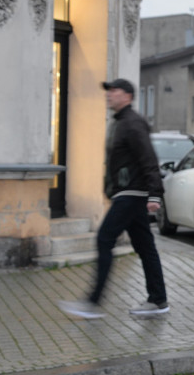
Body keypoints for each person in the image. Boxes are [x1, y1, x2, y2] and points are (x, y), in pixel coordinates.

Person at [59, 78, 168, 319]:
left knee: (104, 239)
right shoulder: (121, 122)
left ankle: (93, 302)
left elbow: (148, 159)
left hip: (131, 193)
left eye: (114, 91)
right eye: (108, 91)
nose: (109, 95)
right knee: (145, 247)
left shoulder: (132, 124)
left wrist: (155, 194)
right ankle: (159, 299)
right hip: (128, 192)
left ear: (127, 96)